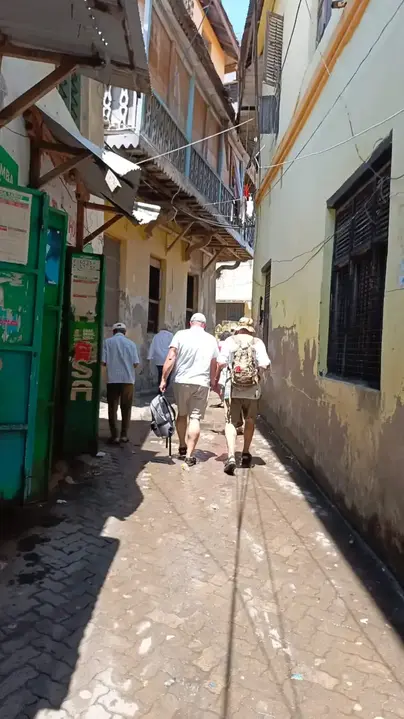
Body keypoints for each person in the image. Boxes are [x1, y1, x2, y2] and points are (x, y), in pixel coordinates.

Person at [160, 313, 218, 467]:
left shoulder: (180, 335)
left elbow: (171, 357)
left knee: (182, 414)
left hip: (182, 381)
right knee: (195, 418)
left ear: (191, 323)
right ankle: (190, 455)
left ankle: (182, 445)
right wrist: (213, 381)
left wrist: (164, 378)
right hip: (202, 382)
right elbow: (214, 363)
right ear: (204, 325)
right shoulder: (211, 339)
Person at [215, 317, 270, 475]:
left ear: (239, 328)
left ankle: (231, 456)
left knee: (230, 422)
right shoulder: (257, 342)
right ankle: (245, 453)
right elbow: (265, 363)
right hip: (252, 389)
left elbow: (221, 362)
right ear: (251, 329)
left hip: (232, 388)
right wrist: (257, 372)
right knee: (250, 420)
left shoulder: (230, 341)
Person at [102, 322, 140, 445]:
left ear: (113, 332)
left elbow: (103, 362)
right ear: (125, 332)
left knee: (112, 408)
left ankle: (115, 436)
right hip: (128, 381)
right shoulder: (131, 344)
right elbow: (135, 363)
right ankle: (124, 435)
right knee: (126, 408)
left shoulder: (107, 342)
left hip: (112, 380)